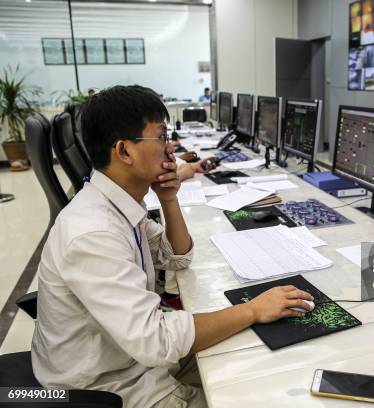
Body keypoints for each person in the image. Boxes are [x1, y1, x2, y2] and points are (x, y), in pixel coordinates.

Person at [31, 85, 314, 408]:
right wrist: (252, 309)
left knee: (253, 359)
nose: (171, 151)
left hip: (130, 359)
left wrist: (169, 200)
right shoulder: (94, 232)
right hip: (109, 387)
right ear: (124, 151)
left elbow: (176, 258)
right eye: (162, 138)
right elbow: (155, 340)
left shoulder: (118, 206)